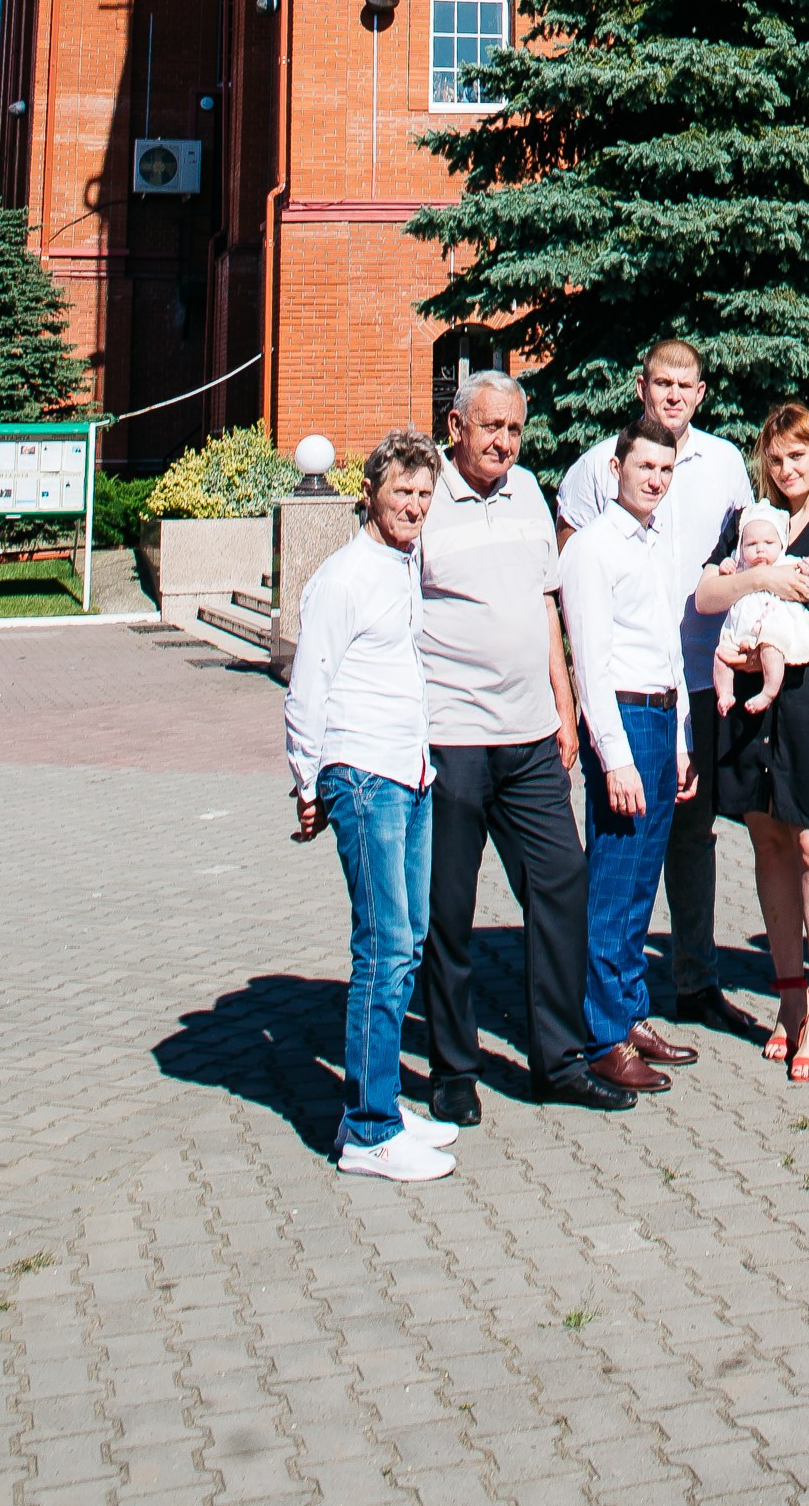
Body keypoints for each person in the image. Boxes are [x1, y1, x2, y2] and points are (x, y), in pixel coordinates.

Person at [414, 370, 627, 1122]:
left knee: (562, 882)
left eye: (514, 429)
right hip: (450, 739)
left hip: (531, 736)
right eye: (491, 427)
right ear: (456, 427)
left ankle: (559, 1061)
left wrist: (566, 709)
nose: (505, 443)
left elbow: (546, 605)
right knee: (449, 907)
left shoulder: (529, 490)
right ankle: (454, 1070)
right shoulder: (424, 497)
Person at [556, 335, 763, 1043]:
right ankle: (610, 1007)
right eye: (661, 383)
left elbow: (747, 548)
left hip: (701, 677)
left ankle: (695, 980)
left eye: (685, 386)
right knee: (624, 845)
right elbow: (572, 565)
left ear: (700, 394)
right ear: (640, 387)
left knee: (689, 835)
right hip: (625, 690)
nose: (673, 395)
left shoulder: (724, 463)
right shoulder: (599, 467)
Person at [285, 428, 460, 1180]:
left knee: (407, 941)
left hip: (409, 772)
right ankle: (367, 1131)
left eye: (424, 494)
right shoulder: (344, 577)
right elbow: (309, 683)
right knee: (383, 950)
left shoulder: (402, 564)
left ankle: (380, 1099)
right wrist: (306, 779)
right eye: (401, 493)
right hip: (363, 776)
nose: (414, 506)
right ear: (370, 493)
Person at [695, 401, 809, 1085]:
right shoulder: (751, 524)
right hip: (749, 706)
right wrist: (760, 580)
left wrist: (793, 646)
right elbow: (707, 594)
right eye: (774, 459)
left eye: (797, 456)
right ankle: (789, 998)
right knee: (768, 841)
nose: (785, 469)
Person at [557, 419, 699, 1096]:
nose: (656, 480)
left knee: (643, 879)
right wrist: (614, 757)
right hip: (623, 719)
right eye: (645, 467)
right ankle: (602, 1035)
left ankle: (630, 1011)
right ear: (616, 470)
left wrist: (681, 741)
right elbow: (590, 660)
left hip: (661, 716)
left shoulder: (655, 541)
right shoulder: (592, 548)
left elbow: (668, 647)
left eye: (666, 471)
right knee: (615, 880)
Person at [711, 498, 809, 711]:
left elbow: (808, 590)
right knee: (721, 655)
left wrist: (807, 573)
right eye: (751, 544)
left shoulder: (787, 563)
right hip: (740, 629)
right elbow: (721, 585)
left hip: (770, 629)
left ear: (781, 544)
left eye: (768, 543)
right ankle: (725, 693)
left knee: (772, 651)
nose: (760, 550)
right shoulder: (740, 567)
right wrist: (725, 566)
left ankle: (769, 691)